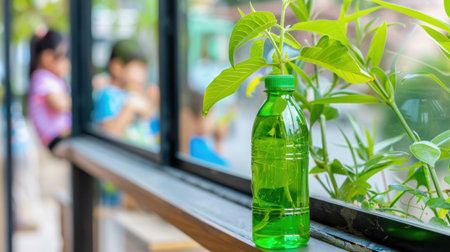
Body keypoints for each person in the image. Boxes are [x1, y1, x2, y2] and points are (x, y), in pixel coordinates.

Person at [93, 40, 153, 137]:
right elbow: (110, 135)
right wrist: (130, 108)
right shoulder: (107, 95)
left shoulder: (128, 93)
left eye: (144, 70)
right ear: (117, 67)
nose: (142, 77)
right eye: (137, 70)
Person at [28, 29, 71, 151]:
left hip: (56, 137)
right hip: (55, 138)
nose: (68, 64)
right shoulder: (42, 77)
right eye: (64, 57)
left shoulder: (48, 78)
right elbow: (59, 104)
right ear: (47, 58)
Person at [179, 88, 229, 167]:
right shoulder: (196, 144)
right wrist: (218, 141)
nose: (213, 122)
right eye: (210, 116)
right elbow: (223, 167)